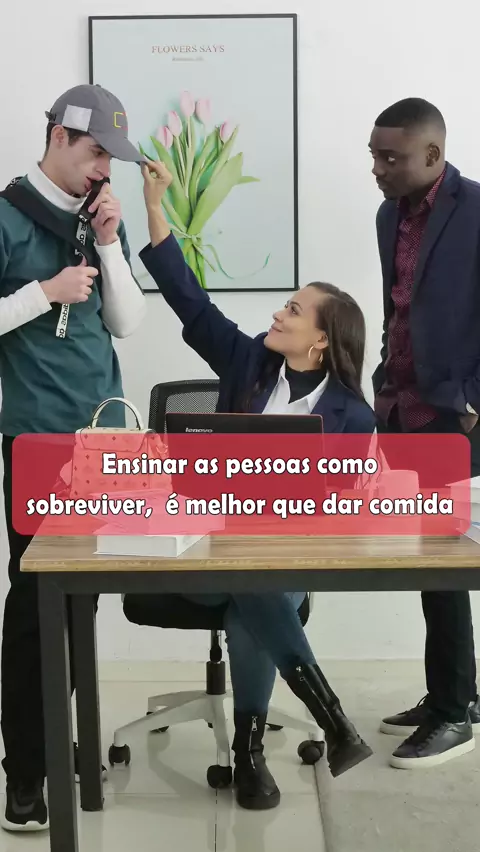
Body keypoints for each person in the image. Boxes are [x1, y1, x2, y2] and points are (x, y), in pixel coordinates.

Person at [137, 159, 376, 811]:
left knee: (258, 587)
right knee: (254, 581)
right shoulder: (247, 362)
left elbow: (340, 512)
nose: (278, 312)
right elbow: (191, 303)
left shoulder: (353, 418)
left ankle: (249, 753)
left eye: (293, 309)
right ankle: (328, 721)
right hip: (202, 552)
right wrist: (155, 208)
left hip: (282, 559)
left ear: (321, 340)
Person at [0, 84, 146, 832]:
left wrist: (113, 245)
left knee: (82, 602)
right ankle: (26, 773)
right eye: (95, 153)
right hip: (36, 439)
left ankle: (66, 745)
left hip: (102, 440)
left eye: (111, 160)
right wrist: (44, 292)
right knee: (37, 607)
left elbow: (126, 322)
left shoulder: (96, 220)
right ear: (58, 136)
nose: (103, 170)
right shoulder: (7, 216)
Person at [370, 97, 480, 769]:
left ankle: (453, 710)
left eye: (392, 157)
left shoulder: (476, 210)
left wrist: (472, 399)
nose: (378, 169)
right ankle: (455, 692)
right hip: (403, 408)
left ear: (433, 155)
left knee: (445, 563)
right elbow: (398, 306)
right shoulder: (389, 215)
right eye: (374, 156)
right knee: (431, 561)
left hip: (453, 416)